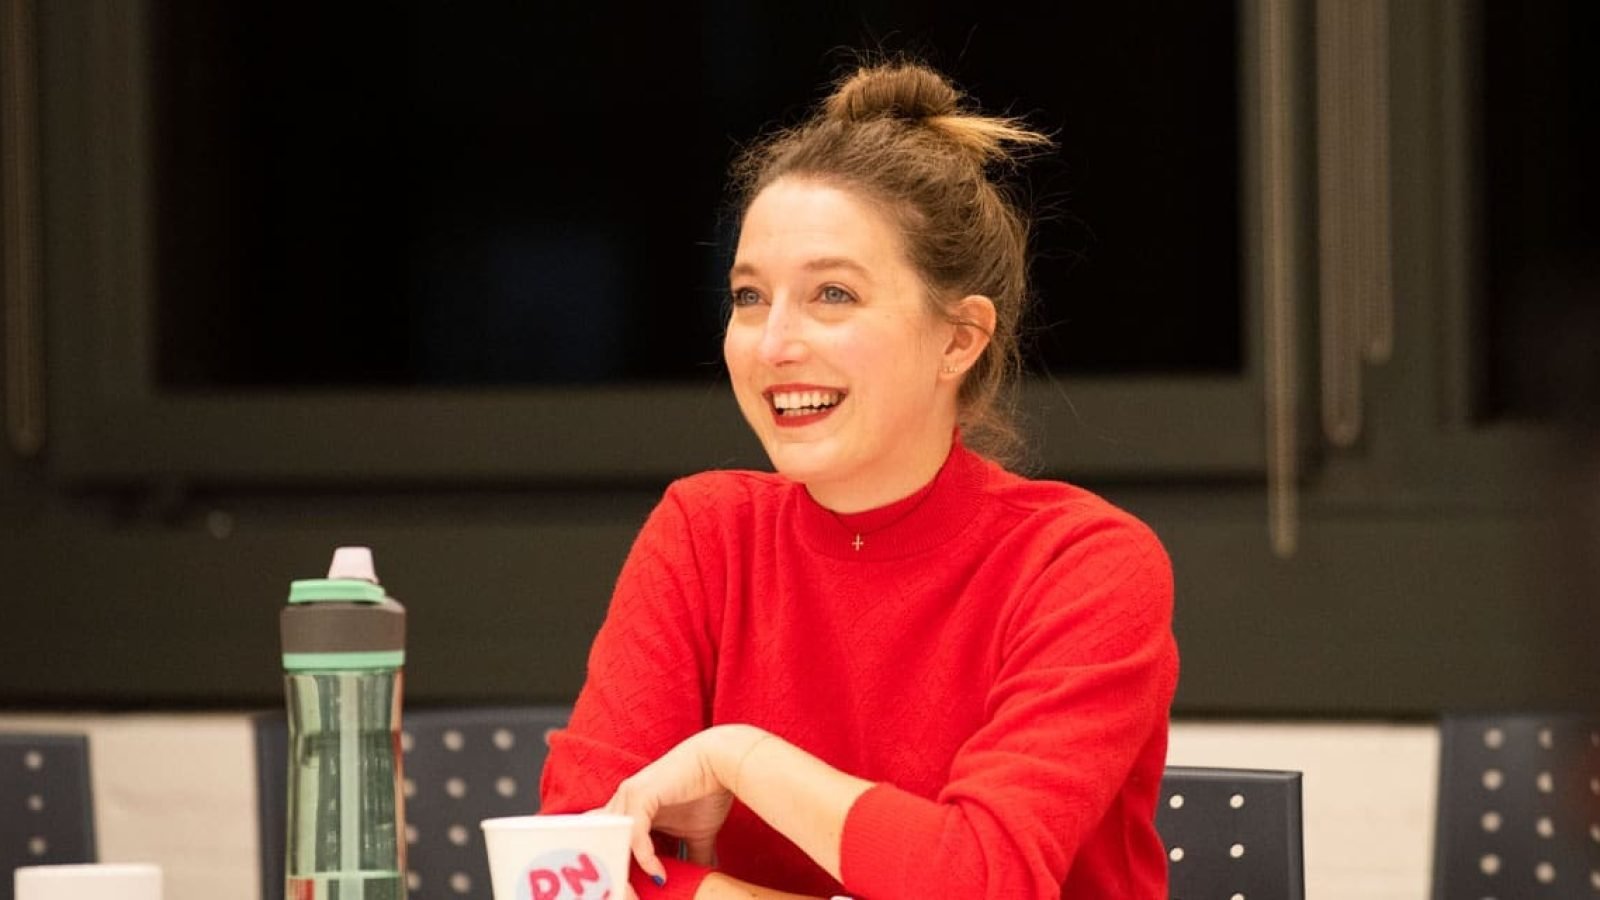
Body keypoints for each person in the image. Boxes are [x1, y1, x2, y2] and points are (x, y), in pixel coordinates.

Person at [540, 58, 1179, 899]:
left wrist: (740, 755)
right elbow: (575, 859)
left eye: (832, 294)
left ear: (959, 338)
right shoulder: (703, 533)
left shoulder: (1086, 565)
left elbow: (981, 881)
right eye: (748, 297)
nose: (772, 346)